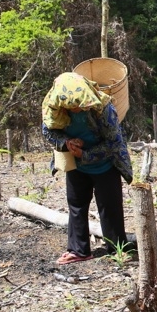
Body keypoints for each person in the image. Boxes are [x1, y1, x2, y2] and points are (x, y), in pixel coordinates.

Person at [42, 72, 133, 265]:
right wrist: (66, 143)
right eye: (70, 106)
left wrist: (86, 154)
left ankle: (117, 248)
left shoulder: (104, 109)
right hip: (76, 165)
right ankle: (78, 250)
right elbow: (48, 131)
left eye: (78, 105)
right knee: (76, 205)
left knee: (110, 208)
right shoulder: (54, 109)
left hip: (105, 164)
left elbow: (114, 143)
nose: (75, 109)